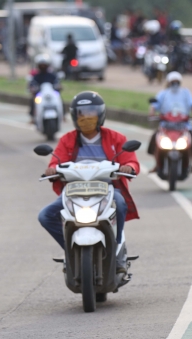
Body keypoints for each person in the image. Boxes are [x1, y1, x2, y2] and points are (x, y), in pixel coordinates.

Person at [38, 91, 140, 271]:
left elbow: (130, 160)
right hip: (74, 191)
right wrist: (52, 169)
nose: (86, 117)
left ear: (100, 114)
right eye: (81, 113)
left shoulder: (116, 138)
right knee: (45, 216)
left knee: (121, 204)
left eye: (91, 112)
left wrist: (129, 167)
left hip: (106, 190)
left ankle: (116, 247)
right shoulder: (67, 139)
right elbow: (56, 162)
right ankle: (70, 251)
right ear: (74, 115)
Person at [148, 71, 192, 173]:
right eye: (173, 82)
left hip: (184, 126)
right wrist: (152, 112)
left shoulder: (185, 93)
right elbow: (154, 105)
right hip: (166, 126)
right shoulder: (163, 94)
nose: (175, 84)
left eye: (177, 82)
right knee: (154, 138)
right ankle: (156, 164)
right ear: (168, 82)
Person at [28, 54, 61, 124]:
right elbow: (32, 84)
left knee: (59, 98)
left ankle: (63, 115)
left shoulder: (52, 75)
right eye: (41, 65)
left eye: (44, 65)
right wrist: (32, 88)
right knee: (33, 101)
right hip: (40, 95)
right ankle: (32, 116)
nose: (43, 66)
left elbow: (57, 82)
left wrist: (58, 86)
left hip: (51, 94)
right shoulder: (36, 76)